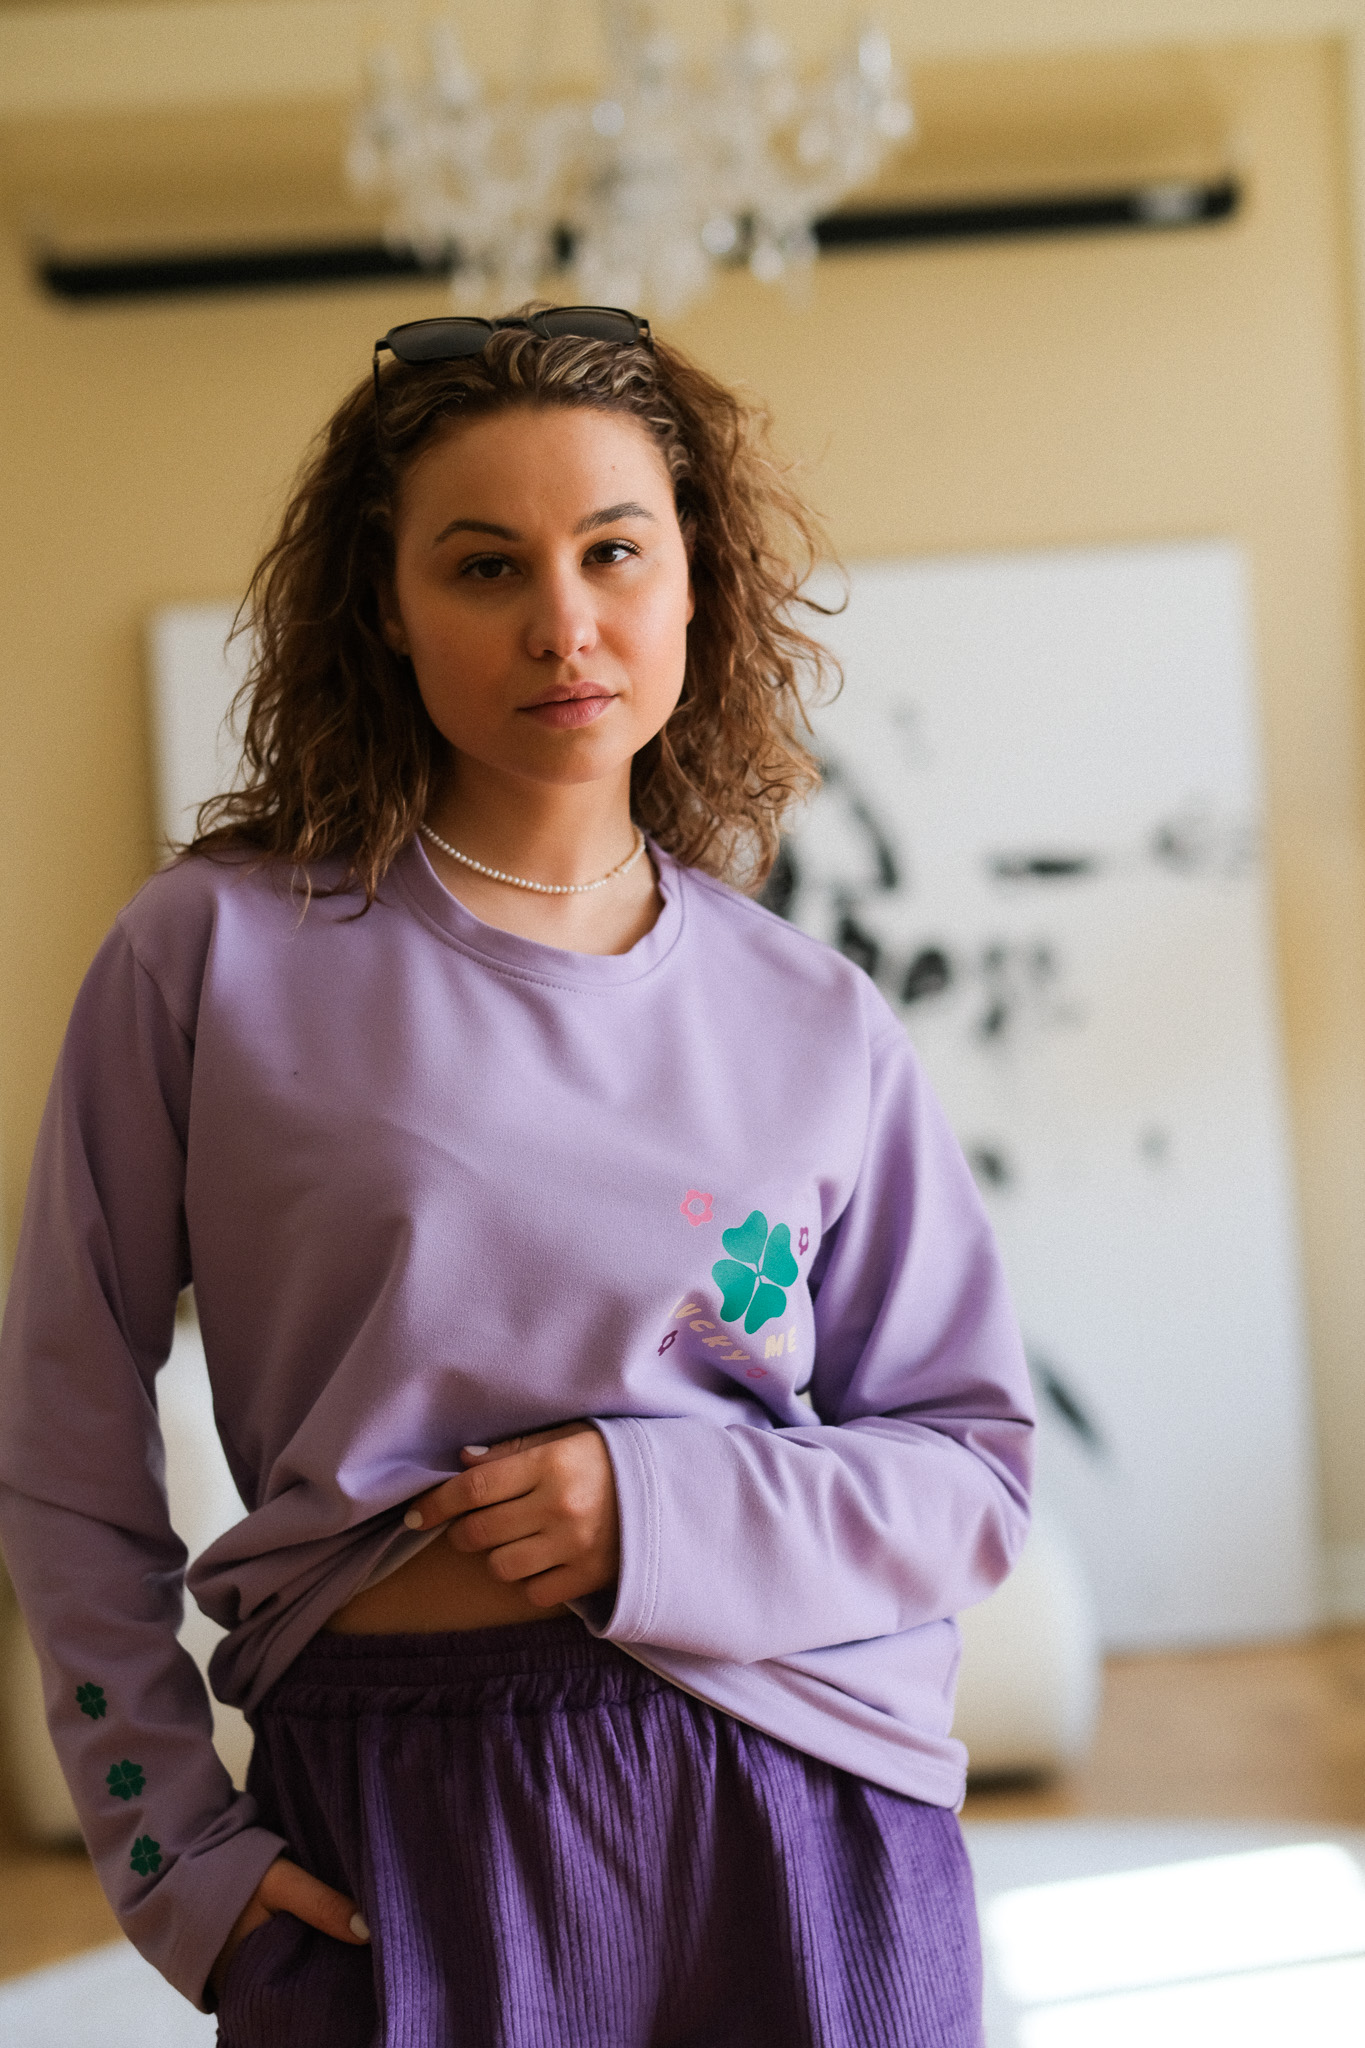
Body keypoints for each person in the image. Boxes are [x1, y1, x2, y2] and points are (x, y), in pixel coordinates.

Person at [0, 305, 1033, 2047]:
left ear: (693, 582)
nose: (563, 623)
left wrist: (652, 1507)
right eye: (485, 567)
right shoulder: (209, 955)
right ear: (385, 609)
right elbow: (60, 1429)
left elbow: (973, 1476)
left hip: (805, 1807)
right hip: (394, 1823)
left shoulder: (815, 1018)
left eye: (612, 551)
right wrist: (173, 1852)